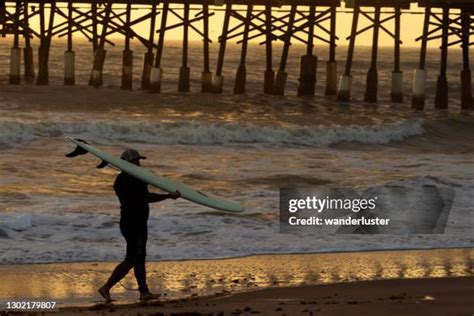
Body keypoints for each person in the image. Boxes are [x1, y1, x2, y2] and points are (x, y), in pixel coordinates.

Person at [98, 148, 180, 302]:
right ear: (131, 162)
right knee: (132, 258)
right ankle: (106, 287)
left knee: (140, 257)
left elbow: (142, 197)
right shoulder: (132, 180)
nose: (139, 163)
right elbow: (146, 197)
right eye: (137, 160)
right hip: (134, 224)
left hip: (134, 223)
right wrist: (168, 196)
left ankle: (144, 292)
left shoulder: (121, 180)